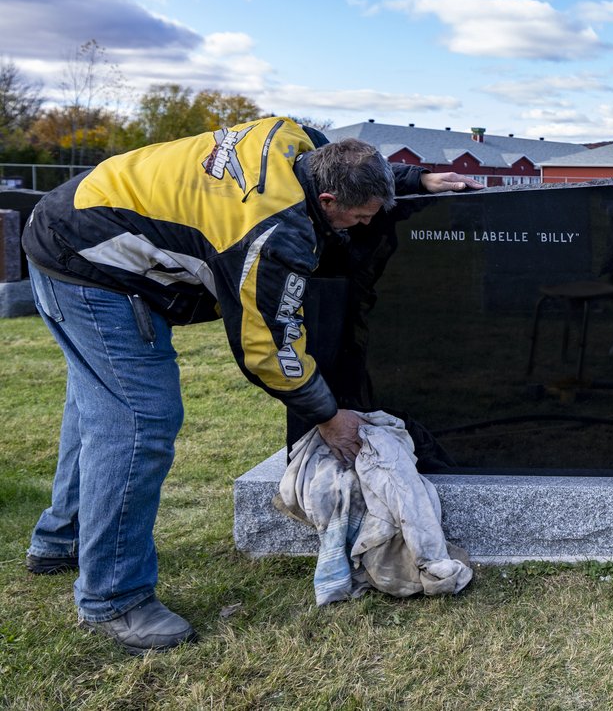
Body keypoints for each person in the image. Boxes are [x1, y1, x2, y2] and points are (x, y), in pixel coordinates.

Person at [21, 117, 480, 653]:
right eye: (357, 218)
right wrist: (329, 417)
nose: (360, 227)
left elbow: (348, 161)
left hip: (75, 222)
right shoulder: (272, 228)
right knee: (139, 420)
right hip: (89, 264)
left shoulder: (298, 138)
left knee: (100, 411)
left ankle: (61, 540)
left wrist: (412, 179)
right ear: (326, 200)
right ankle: (112, 599)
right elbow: (268, 349)